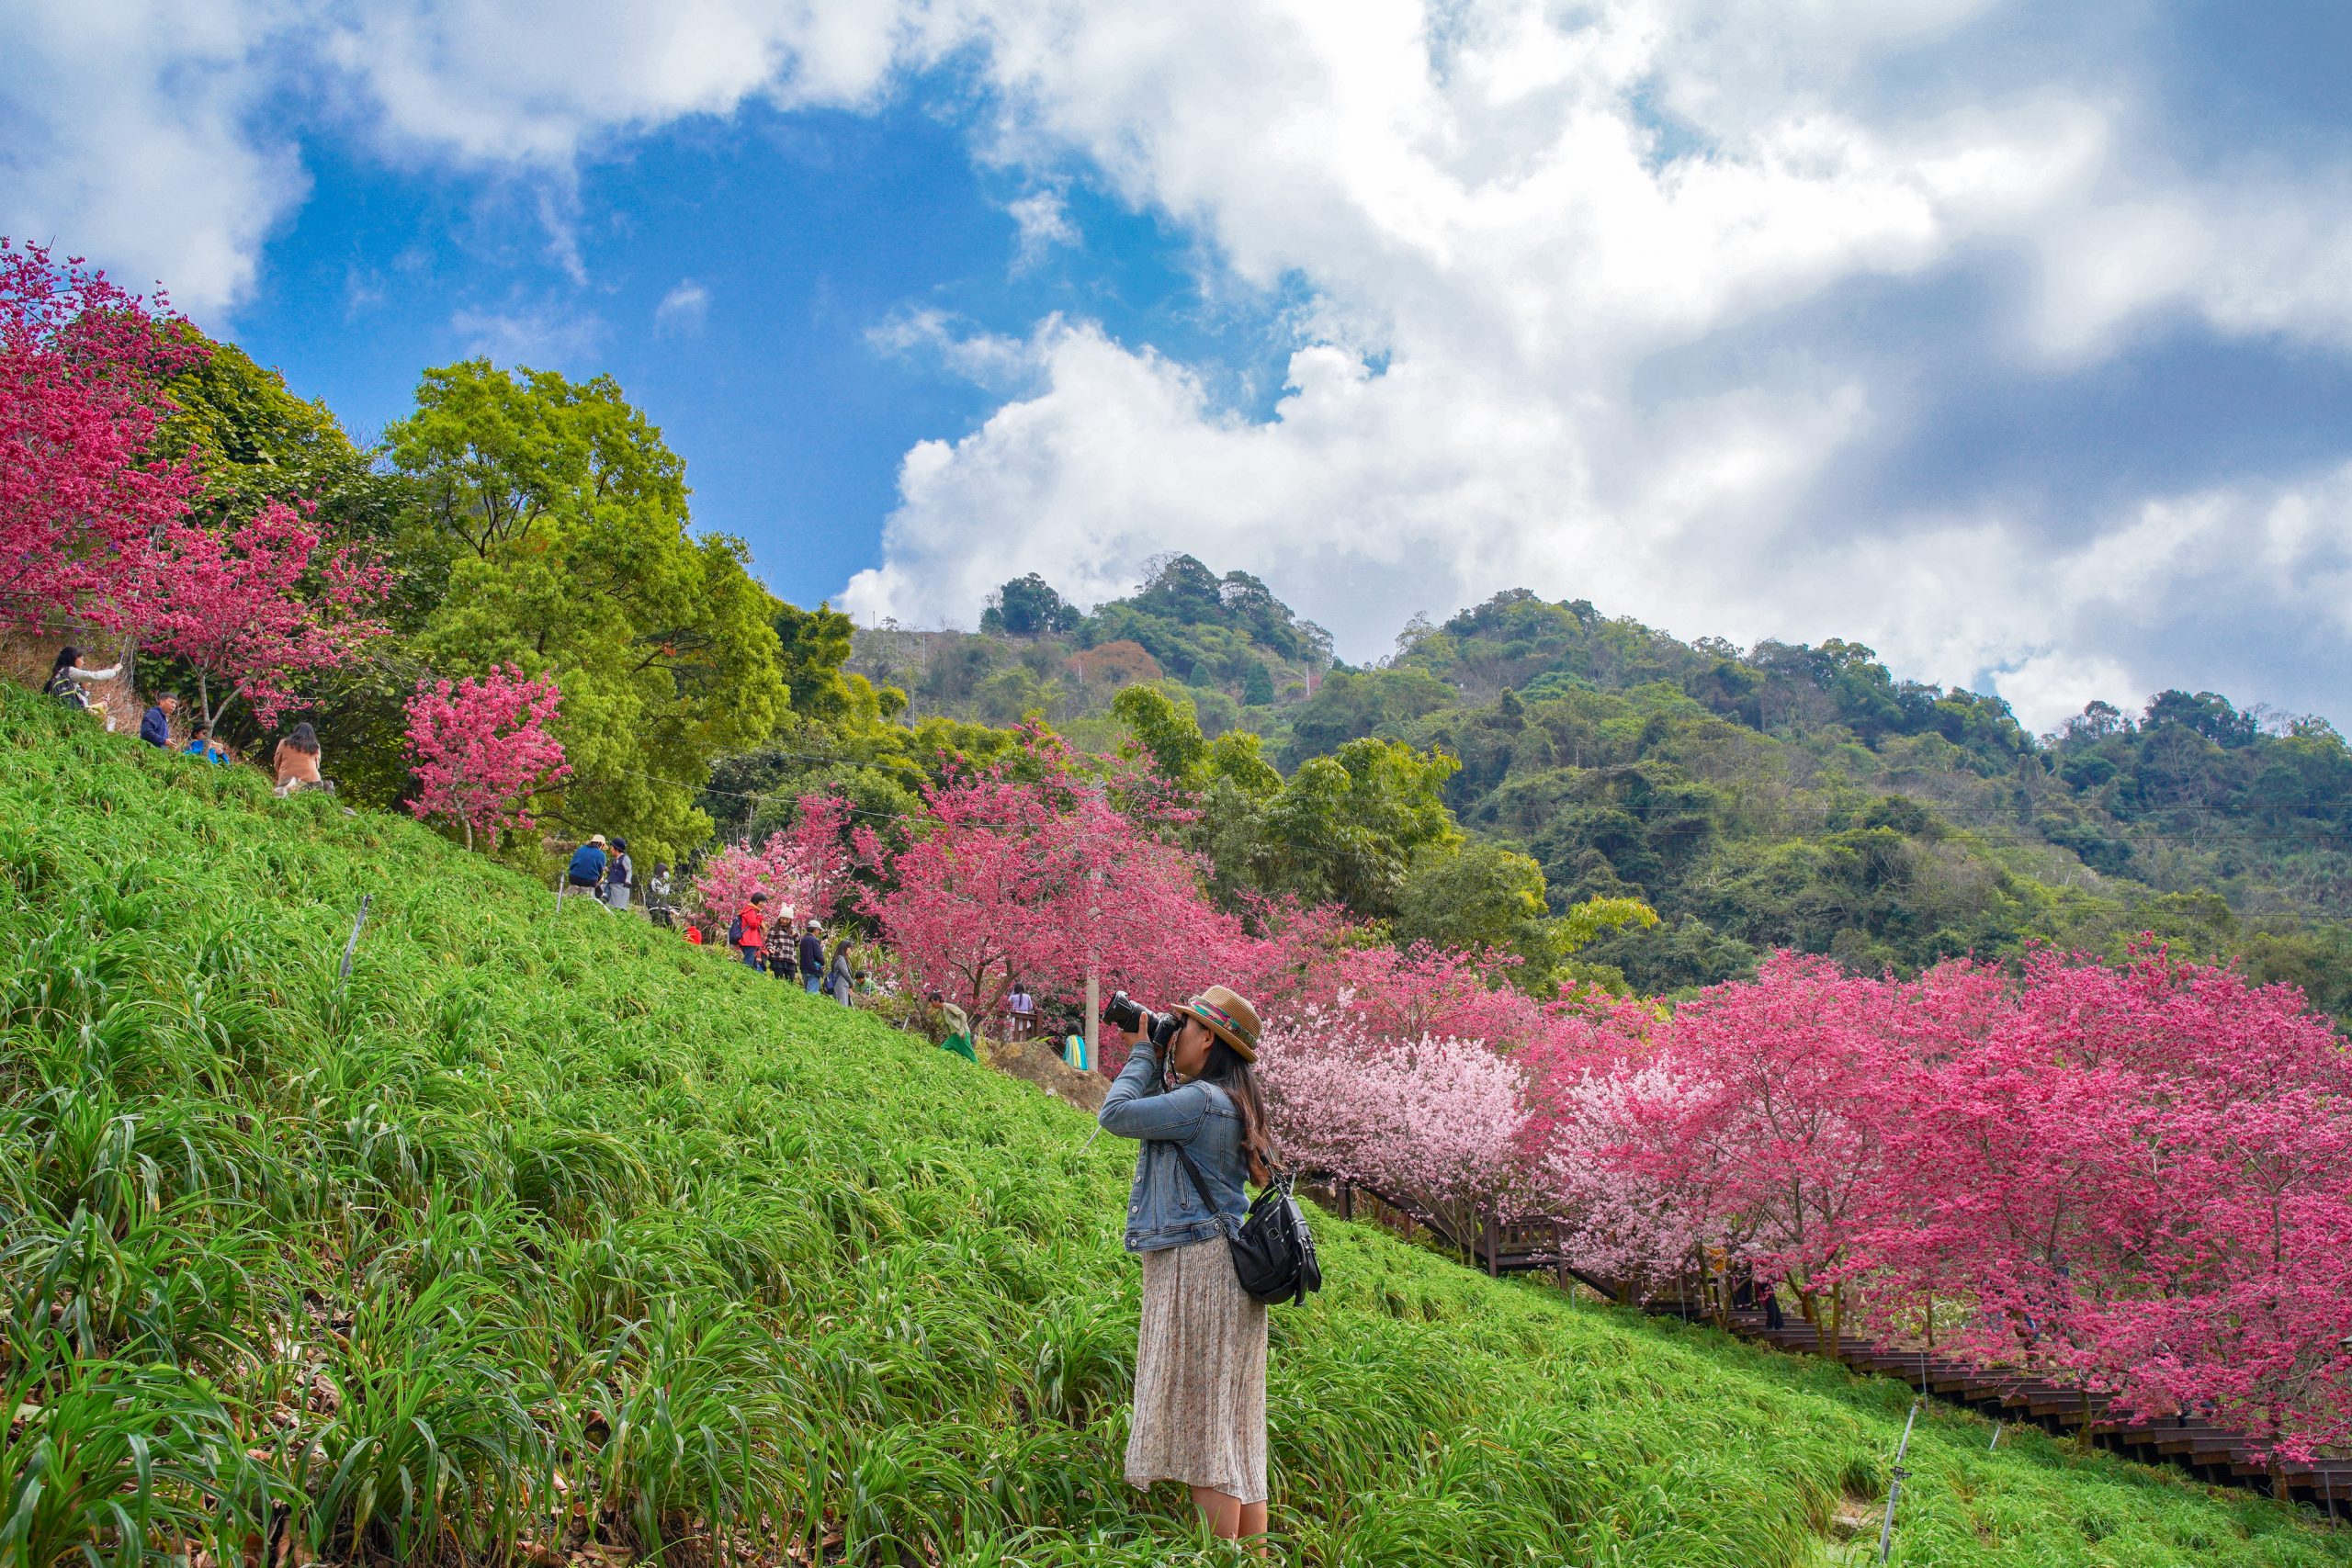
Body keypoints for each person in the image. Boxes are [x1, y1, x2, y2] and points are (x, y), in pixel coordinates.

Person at [1096, 986, 1274, 1548]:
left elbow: (1116, 1114)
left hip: (1200, 1272)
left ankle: (1218, 1559)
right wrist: (1156, 1052)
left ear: (1209, 1040)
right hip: (1226, 1274)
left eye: (1185, 1025)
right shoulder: (1229, 1101)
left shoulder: (1201, 1102)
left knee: (1207, 1440)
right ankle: (1252, 1558)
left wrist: (1144, 1052)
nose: (1175, 1031)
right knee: (1234, 1432)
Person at [47, 647, 121, 726]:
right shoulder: (70, 671)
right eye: (81, 659)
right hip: (68, 718)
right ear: (73, 659)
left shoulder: (60, 672)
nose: (83, 662)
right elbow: (94, 676)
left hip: (60, 714)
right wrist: (113, 671)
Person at [272, 723, 325, 795]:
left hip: (287, 779)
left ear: (295, 731)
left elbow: (276, 763)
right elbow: (317, 765)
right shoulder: (315, 746)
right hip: (311, 780)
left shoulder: (284, 743)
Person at [564, 835, 608, 901]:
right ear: (600, 844)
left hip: (573, 878)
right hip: (589, 881)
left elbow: (571, 865)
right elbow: (600, 873)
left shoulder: (580, 849)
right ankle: (599, 895)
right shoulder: (602, 855)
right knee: (597, 883)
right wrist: (596, 883)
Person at [603, 837, 635, 911]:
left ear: (616, 849)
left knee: (619, 908)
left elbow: (629, 871)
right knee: (610, 907)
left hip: (620, 888)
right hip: (612, 886)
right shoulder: (615, 860)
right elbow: (613, 871)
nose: (610, 849)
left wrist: (627, 881)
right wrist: (606, 869)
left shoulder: (625, 858)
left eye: (611, 847)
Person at [735, 896, 766, 971]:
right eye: (761, 902)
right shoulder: (751, 910)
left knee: (754, 964)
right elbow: (753, 924)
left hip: (751, 940)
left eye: (764, 902)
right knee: (748, 963)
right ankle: (744, 978)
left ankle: (751, 980)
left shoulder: (753, 911)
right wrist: (759, 918)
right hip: (749, 941)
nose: (763, 904)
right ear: (756, 901)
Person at [798, 920, 827, 997]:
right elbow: (819, 956)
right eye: (819, 930)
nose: (819, 932)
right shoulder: (814, 940)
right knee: (812, 994)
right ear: (816, 930)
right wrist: (823, 962)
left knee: (807, 990)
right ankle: (810, 1007)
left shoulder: (803, 939)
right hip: (814, 969)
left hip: (804, 968)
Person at [763, 913, 795, 980]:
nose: (784, 921)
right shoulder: (774, 928)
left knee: (790, 980)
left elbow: (798, 943)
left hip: (790, 958)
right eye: (783, 919)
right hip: (778, 957)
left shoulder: (793, 929)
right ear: (780, 918)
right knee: (778, 979)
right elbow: (769, 941)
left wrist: (795, 934)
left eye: (787, 919)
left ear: (790, 920)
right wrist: (770, 948)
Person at [827, 939, 854, 1004]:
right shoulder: (841, 959)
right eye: (849, 948)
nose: (850, 951)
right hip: (841, 985)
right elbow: (845, 973)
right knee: (842, 1005)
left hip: (841, 985)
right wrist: (852, 983)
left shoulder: (839, 958)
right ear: (845, 948)